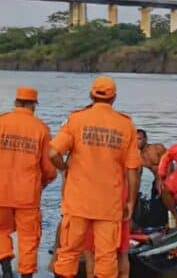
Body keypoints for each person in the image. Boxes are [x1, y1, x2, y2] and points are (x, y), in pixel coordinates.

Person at [50, 76, 142, 278]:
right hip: (109, 205)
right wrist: (130, 202)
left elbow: (52, 153)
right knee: (107, 257)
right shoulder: (126, 125)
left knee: (68, 253)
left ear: (91, 95)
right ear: (114, 98)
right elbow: (133, 170)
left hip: (77, 203)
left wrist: (65, 168)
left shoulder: (76, 119)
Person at [0, 87, 56, 278]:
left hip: (1, 192)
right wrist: (42, 184)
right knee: (28, 237)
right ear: (33, 105)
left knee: (0, 231)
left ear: (16, 102)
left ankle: (6, 270)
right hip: (28, 196)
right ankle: (26, 275)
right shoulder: (41, 128)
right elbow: (50, 169)